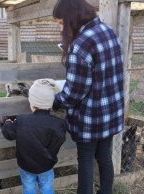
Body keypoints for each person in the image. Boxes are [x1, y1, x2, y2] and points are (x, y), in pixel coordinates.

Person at [52, 0, 125, 194]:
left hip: (90, 117)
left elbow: (75, 92)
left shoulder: (81, 44)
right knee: (104, 156)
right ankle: (106, 191)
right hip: (110, 113)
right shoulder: (108, 31)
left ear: (72, 19)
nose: (60, 28)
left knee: (85, 159)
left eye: (61, 23)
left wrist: (55, 101)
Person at [1, 78, 67, 194]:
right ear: (51, 105)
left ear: (32, 103)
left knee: (28, 188)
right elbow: (59, 140)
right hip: (46, 166)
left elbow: (8, 134)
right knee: (46, 188)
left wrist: (7, 121)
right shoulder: (58, 123)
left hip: (26, 167)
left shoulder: (21, 120)